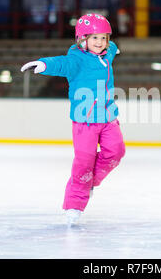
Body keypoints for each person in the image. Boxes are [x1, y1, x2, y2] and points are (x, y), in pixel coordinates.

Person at [20, 13, 126, 225]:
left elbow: (113, 46)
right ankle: (74, 205)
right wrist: (43, 65)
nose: (100, 43)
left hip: (108, 117)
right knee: (83, 163)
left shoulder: (109, 52)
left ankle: (91, 183)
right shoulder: (76, 60)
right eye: (94, 38)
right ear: (82, 39)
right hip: (84, 121)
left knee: (116, 151)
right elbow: (61, 64)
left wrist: (112, 45)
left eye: (104, 38)